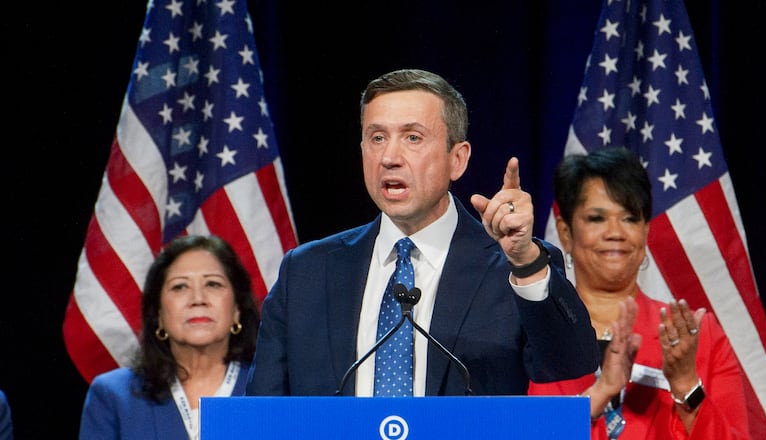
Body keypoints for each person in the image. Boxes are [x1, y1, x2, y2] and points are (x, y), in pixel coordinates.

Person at [245, 68, 599, 397]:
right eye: (377, 137)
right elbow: (262, 414)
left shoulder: (511, 265)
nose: (389, 157)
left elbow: (569, 364)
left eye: (413, 137)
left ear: (457, 159)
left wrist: (524, 261)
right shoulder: (306, 272)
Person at [528, 147, 750, 438]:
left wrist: (685, 384)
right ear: (566, 232)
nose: (615, 232)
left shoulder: (700, 337)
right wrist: (596, 398)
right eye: (597, 218)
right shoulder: (536, 337)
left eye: (630, 218)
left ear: (645, 232)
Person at [78, 234, 260, 440]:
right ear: (159, 315)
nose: (198, 299)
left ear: (237, 309)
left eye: (213, 284)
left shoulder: (275, 391)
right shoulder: (114, 396)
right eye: (180, 287)